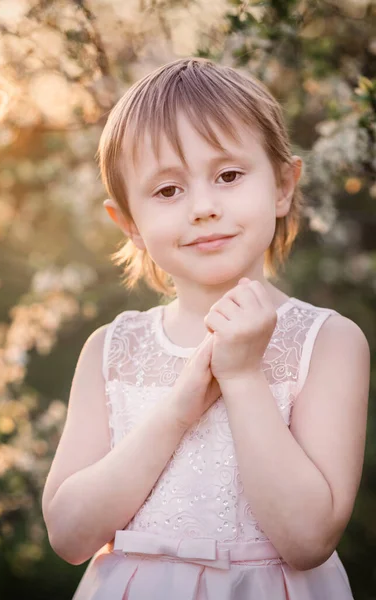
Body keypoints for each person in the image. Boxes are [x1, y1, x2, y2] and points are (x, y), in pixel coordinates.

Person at [41, 58, 370, 600]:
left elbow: (308, 538)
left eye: (229, 176)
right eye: (168, 191)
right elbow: (70, 535)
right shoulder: (113, 350)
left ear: (284, 185)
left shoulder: (329, 342)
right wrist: (177, 411)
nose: (203, 207)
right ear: (129, 224)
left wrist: (242, 377)